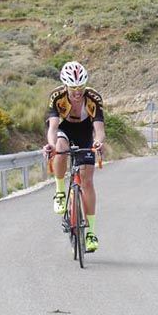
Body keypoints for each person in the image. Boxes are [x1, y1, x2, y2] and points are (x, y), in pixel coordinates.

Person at [44, 61, 106, 252]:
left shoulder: (93, 98)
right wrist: (52, 146)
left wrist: (98, 142)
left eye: (80, 88)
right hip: (65, 131)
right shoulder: (57, 97)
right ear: (65, 86)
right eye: (73, 89)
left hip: (86, 134)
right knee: (61, 147)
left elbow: (99, 129)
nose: (77, 92)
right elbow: (53, 127)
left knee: (87, 182)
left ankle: (91, 233)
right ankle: (61, 192)